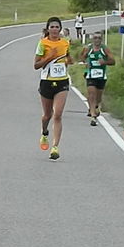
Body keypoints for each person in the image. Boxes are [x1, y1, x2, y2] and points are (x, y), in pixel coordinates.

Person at [34, 16, 73, 160]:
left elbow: (68, 59)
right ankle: (44, 132)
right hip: (46, 82)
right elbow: (36, 65)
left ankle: (55, 147)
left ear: (60, 29)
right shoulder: (43, 43)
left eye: (57, 27)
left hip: (62, 82)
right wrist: (49, 57)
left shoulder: (65, 43)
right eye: (52, 27)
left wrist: (69, 60)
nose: (55, 29)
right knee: (47, 115)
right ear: (48, 29)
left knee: (58, 114)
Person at [80, 31, 116, 126]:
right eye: (95, 38)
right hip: (91, 75)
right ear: (92, 39)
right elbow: (82, 57)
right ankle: (93, 116)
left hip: (101, 76)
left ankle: (95, 107)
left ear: (102, 39)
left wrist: (104, 62)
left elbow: (113, 61)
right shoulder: (89, 48)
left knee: (98, 97)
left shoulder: (105, 49)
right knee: (91, 94)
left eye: (99, 38)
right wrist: (85, 62)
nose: (97, 40)